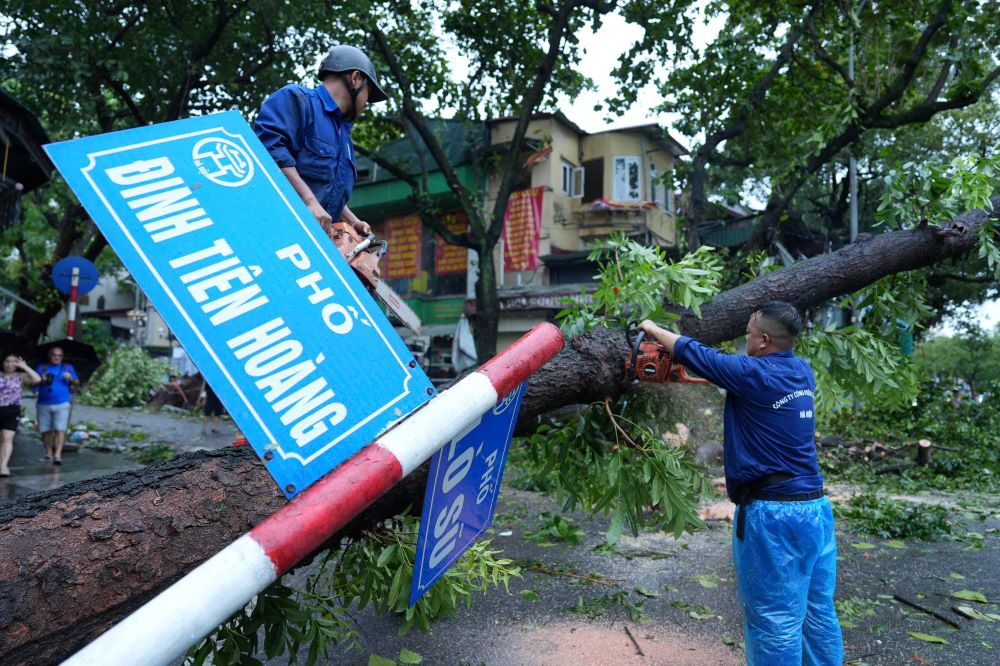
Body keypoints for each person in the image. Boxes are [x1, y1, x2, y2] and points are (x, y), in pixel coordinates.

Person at [639, 302, 842, 665]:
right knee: (816, 616)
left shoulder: (753, 375)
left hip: (775, 518)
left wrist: (653, 329)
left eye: (748, 333)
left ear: (763, 340)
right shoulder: (801, 371)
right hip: (816, 511)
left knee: (774, 623)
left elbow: (697, 352)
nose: (744, 340)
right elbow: (735, 377)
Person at [254, 45, 388, 237]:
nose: (366, 103)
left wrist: (352, 222)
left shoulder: (345, 139)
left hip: (311, 244)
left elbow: (327, 191)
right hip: (272, 231)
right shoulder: (297, 99)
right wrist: (309, 202)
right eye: (368, 93)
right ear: (356, 79)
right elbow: (268, 151)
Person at [35, 346, 79, 465]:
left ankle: (58, 454)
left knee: (60, 429)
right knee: (45, 429)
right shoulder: (41, 368)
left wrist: (71, 379)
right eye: (54, 355)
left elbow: (77, 383)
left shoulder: (67, 368)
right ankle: (48, 453)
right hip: (43, 402)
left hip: (62, 402)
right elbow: (32, 386)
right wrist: (40, 380)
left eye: (59, 355)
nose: (57, 357)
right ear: (49, 355)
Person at [0, 354, 41, 476]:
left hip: (12, 410)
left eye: (13, 362)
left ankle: (3, 466)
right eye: (7, 361)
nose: (9, 364)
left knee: (7, 438)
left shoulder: (20, 376)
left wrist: (24, 366)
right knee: (1, 439)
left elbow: (37, 379)